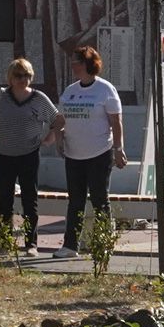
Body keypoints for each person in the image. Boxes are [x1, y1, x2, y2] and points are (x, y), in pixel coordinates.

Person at [0, 58, 63, 255]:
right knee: (5, 200)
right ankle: (5, 242)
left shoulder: (39, 98)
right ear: (10, 78)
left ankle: (31, 244)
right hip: (4, 155)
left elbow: (58, 120)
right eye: (18, 76)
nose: (23, 79)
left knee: (30, 200)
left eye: (27, 75)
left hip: (29, 155)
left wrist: (49, 139)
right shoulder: (0, 96)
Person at [53, 45, 127, 260]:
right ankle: (70, 246)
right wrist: (58, 138)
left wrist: (119, 149)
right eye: (72, 62)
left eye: (77, 62)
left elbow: (116, 122)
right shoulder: (70, 90)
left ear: (88, 63)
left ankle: (104, 244)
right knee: (75, 201)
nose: (73, 66)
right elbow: (60, 119)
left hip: (99, 153)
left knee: (99, 199)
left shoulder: (105, 89)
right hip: (73, 154)